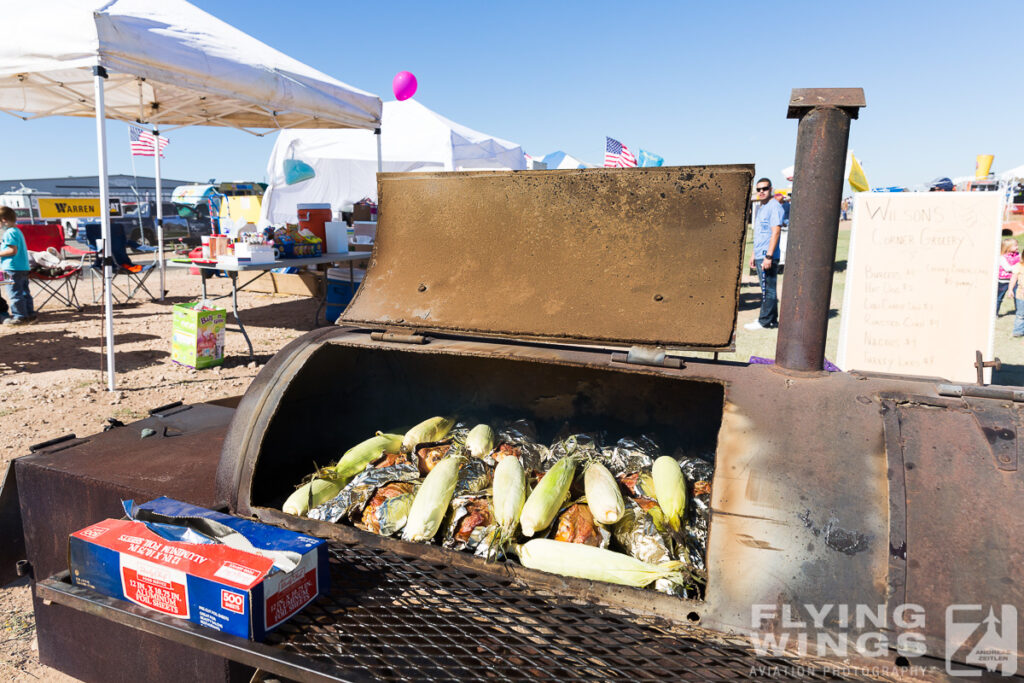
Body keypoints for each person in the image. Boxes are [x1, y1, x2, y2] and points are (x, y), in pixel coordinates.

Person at [744, 178, 784, 330]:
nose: (761, 192)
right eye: (759, 189)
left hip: (768, 256)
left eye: (765, 188)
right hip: (760, 254)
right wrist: (754, 254)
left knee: (768, 290)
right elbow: (761, 234)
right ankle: (772, 320)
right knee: (766, 288)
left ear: (771, 189)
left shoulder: (774, 207)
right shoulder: (762, 207)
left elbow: (775, 232)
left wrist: (768, 256)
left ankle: (764, 321)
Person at [0, 206, 35, 325]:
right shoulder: (17, 230)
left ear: (4, 220)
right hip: (22, 267)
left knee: (14, 293)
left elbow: (12, 250)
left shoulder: (9, 233)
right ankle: (30, 314)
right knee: (24, 292)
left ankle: (20, 316)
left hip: (11, 268)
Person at [997, 237, 1020, 316]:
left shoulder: (1018, 255)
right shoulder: (1002, 257)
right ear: (1008, 247)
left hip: (1014, 281)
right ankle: (995, 313)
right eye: (1015, 246)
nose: (1017, 247)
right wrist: (1018, 267)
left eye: (1017, 245)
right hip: (1003, 281)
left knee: (1017, 298)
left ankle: (1020, 312)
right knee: (999, 298)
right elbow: (1008, 268)